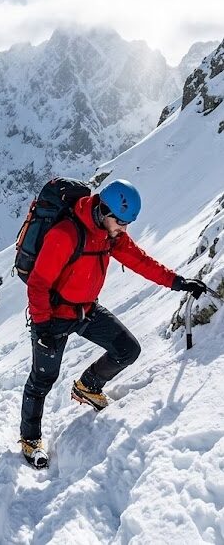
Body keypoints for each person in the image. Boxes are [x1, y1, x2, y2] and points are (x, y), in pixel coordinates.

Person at [19, 180, 208, 468]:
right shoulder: (66, 234)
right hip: (54, 317)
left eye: (127, 223)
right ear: (102, 210)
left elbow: (140, 261)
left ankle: (87, 386)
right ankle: (30, 439)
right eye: (120, 221)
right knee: (43, 378)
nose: (124, 228)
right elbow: (38, 283)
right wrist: (43, 327)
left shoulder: (110, 235)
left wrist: (178, 282)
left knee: (127, 349)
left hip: (85, 310)